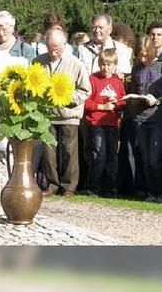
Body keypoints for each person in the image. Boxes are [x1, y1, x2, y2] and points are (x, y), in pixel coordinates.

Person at [33, 29, 91, 197]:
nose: (53, 52)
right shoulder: (38, 62)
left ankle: (69, 186)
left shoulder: (76, 64)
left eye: (57, 48)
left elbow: (85, 90)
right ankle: (51, 184)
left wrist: (65, 98)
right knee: (48, 151)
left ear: (65, 46)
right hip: (47, 115)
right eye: (50, 47)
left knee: (69, 150)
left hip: (69, 114)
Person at [128, 35, 162, 203]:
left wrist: (156, 100)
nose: (142, 59)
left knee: (154, 157)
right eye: (139, 56)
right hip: (140, 118)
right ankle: (149, 191)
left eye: (145, 56)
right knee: (143, 156)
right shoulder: (137, 67)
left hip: (158, 118)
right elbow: (134, 89)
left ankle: (160, 192)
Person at [83, 49, 126, 197]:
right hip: (96, 123)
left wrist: (117, 103)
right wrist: (102, 106)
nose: (105, 68)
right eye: (102, 64)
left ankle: (110, 188)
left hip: (113, 123)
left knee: (112, 156)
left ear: (114, 65)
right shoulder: (92, 79)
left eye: (109, 65)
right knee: (99, 155)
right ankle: (93, 187)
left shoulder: (117, 82)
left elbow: (124, 102)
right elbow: (86, 102)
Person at [78, 13, 132, 77]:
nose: (97, 30)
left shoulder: (121, 49)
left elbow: (124, 75)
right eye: (94, 27)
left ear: (110, 29)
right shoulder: (82, 49)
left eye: (100, 28)